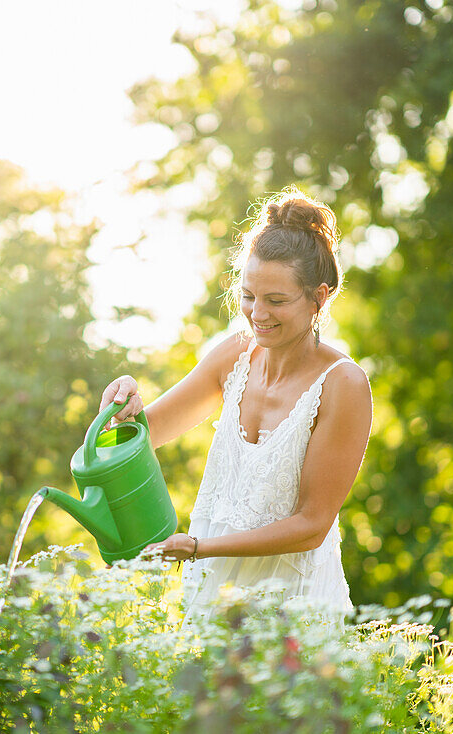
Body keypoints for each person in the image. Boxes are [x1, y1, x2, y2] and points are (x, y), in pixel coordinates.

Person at [99, 187, 372, 622]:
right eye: (249, 296)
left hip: (290, 606)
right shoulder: (234, 357)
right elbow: (135, 441)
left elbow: (311, 525)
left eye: (276, 300)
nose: (257, 313)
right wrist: (122, 400)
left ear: (319, 297)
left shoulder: (344, 385)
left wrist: (198, 548)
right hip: (211, 596)